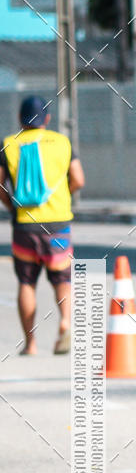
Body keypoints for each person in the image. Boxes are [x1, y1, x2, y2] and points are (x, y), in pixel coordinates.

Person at [0, 95, 85, 355]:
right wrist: (64, 196)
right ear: (47, 118)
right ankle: (65, 322)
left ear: (20, 119)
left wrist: (12, 205)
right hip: (58, 224)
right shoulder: (62, 142)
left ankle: (31, 344)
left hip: (25, 225)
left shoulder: (9, 144)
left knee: (26, 282)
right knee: (62, 279)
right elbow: (78, 179)